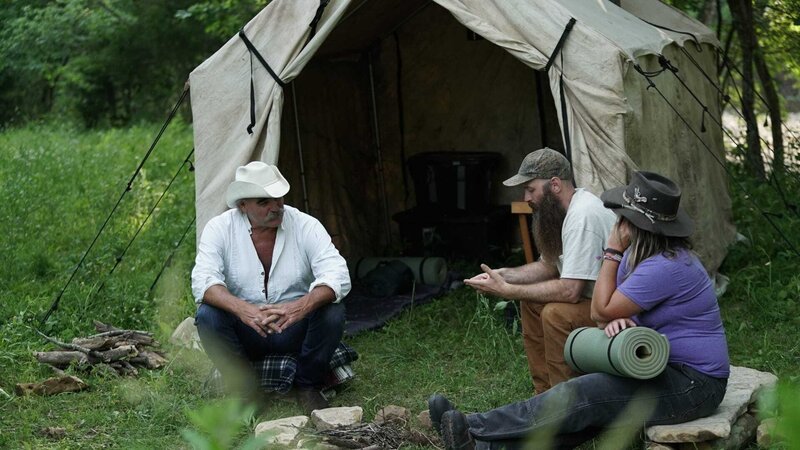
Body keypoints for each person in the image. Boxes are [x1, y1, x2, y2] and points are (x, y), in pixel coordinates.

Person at [429, 171, 730, 450]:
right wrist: (625, 319)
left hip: (695, 385)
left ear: (634, 225)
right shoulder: (644, 258)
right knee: (589, 409)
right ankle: (481, 446)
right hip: (662, 367)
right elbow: (610, 308)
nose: (617, 222)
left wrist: (612, 251)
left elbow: (600, 310)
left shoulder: (667, 265)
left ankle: (473, 425)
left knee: (586, 394)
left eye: (622, 217)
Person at [191, 161, 351, 414]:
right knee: (207, 315)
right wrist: (243, 310)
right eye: (264, 202)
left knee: (332, 311)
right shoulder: (219, 228)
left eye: (279, 199)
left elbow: (338, 274)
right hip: (247, 329)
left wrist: (299, 307)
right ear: (243, 205)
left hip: (294, 327)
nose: (276, 207)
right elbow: (204, 281)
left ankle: (308, 386)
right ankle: (246, 391)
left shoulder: (305, 224)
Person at [463, 148, 616, 393]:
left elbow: (570, 291)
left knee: (555, 313)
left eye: (531, 189)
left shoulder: (583, 215)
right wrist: (503, 275)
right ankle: (543, 393)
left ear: (554, 185)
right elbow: (548, 265)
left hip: (615, 309)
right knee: (531, 304)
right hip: (592, 300)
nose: (526, 198)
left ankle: (564, 402)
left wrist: (508, 291)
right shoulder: (562, 212)